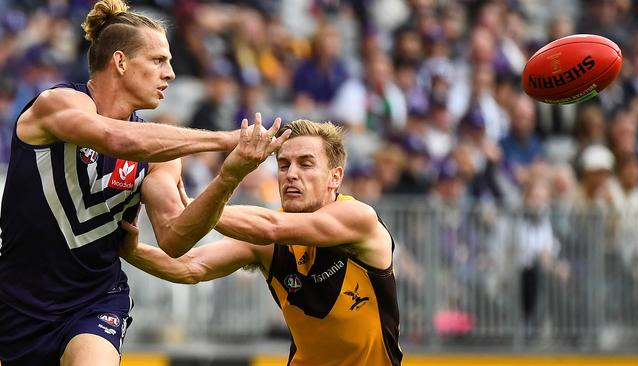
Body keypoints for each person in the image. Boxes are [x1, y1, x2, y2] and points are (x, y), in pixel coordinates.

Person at [0, 1, 290, 365]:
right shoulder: (56, 103)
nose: (170, 73)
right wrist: (226, 139)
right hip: (18, 302)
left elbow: (174, 237)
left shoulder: (161, 150)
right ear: (120, 62)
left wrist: (229, 176)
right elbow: (116, 140)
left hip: (95, 300)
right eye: (158, 61)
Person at [121, 119, 403, 366]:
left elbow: (271, 226)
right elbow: (190, 266)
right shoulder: (267, 243)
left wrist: (197, 207)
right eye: (284, 164)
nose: (291, 174)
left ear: (335, 177)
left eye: (306, 163)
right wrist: (130, 250)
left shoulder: (359, 218)